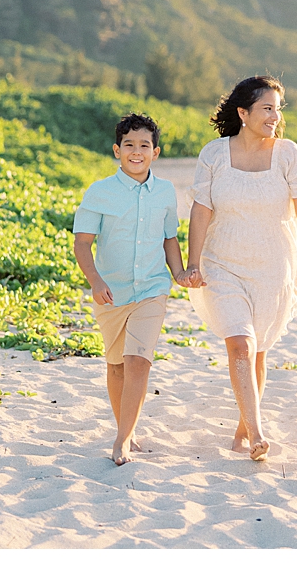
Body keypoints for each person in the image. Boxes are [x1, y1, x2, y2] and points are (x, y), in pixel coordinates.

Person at [182, 75, 297, 462]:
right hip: (223, 264)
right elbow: (201, 211)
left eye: (278, 109)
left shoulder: (288, 154)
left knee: (258, 353)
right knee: (239, 343)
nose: (275, 116)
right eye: (267, 108)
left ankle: (242, 426)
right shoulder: (214, 154)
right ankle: (256, 434)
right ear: (243, 112)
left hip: (273, 266)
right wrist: (193, 262)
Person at [72, 113, 190, 466]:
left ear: (156, 152)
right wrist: (95, 281)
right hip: (112, 292)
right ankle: (128, 428)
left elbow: (170, 239)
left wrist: (180, 272)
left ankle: (122, 440)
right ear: (116, 150)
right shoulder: (100, 192)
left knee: (138, 361)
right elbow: (82, 244)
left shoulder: (166, 192)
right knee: (117, 366)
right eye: (129, 145)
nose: (136, 151)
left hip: (153, 288)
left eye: (144, 145)